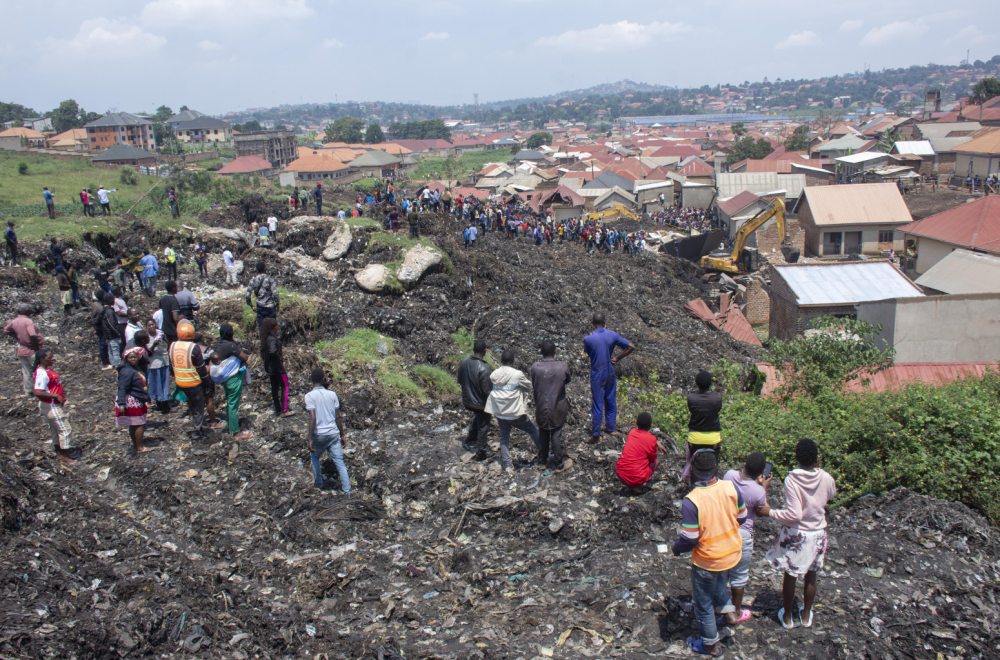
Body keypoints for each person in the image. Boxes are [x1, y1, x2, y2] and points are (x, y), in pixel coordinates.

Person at [672, 449, 747, 657]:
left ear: (694, 471)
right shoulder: (731, 487)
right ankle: (730, 615)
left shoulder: (692, 500)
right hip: (731, 553)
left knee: (703, 604)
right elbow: (743, 516)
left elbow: (689, 538)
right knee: (719, 583)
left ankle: (710, 646)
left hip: (707, 559)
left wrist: (676, 548)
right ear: (715, 469)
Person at [758, 439, 837, 629]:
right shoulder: (826, 477)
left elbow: (794, 514)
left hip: (797, 533)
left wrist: (770, 512)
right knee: (811, 574)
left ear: (796, 458)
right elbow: (831, 494)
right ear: (817, 459)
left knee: (791, 575)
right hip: (817, 532)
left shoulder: (792, 479)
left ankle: (787, 617)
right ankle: (806, 614)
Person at [723, 452, 771, 625]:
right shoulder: (758, 491)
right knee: (739, 576)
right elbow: (763, 509)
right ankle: (736, 611)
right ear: (761, 473)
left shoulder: (728, 475)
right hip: (743, 534)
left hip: (723, 529)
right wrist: (763, 487)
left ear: (744, 465)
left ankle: (719, 605)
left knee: (721, 571)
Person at [484, 349, 540, 472]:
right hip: (515, 412)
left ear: (501, 360)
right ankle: (543, 453)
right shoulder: (517, 374)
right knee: (532, 430)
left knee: (504, 437)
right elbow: (528, 387)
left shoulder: (495, 374)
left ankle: (508, 465)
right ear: (513, 361)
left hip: (500, 412)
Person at [583, 312, 635, 443]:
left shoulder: (588, 339)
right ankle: (611, 428)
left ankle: (595, 434)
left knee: (597, 403)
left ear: (592, 323)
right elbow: (631, 346)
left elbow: (589, 355)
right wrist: (617, 358)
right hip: (610, 371)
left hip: (597, 372)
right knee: (611, 399)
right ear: (604, 322)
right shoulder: (612, 335)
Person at [32, 348, 79, 466]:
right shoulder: (42, 373)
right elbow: (38, 391)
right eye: (50, 358)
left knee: (55, 430)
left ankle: (59, 454)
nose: (53, 359)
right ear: (42, 360)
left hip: (51, 404)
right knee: (66, 429)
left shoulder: (46, 370)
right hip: (51, 405)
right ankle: (66, 457)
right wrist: (56, 396)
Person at [305, 367, 349, 493]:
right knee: (340, 463)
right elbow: (337, 417)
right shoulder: (332, 394)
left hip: (319, 434)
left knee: (314, 458)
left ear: (311, 380)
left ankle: (319, 485)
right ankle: (347, 491)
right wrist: (342, 435)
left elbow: (312, 418)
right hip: (333, 433)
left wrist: (309, 439)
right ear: (324, 379)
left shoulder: (309, 396)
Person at [530, 339, 572, 471]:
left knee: (543, 431)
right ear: (555, 352)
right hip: (558, 406)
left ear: (541, 352)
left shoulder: (535, 367)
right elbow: (567, 380)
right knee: (556, 433)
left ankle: (542, 461)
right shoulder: (563, 366)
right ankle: (559, 463)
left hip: (541, 405)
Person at [171, 321, 210, 439]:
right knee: (198, 407)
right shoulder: (194, 348)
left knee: (191, 405)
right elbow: (201, 369)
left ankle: (197, 426)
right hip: (193, 383)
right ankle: (197, 431)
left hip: (180, 382)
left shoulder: (172, 346)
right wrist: (206, 384)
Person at [457, 339, 493, 461]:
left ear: (473, 349)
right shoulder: (485, 369)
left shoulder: (463, 363)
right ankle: (481, 451)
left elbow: (460, 380)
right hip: (479, 404)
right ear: (485, 351)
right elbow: (487, 391)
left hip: (467, 401)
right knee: (484, 424)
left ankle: (470, 438)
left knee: (479, 417)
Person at [616, 412, 671, 492]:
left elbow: (641, 440)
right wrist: (655, 445)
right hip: (637, 478)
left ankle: (630, 487)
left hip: (620, 475)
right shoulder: (652, 439)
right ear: (650, 426)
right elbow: (652, 460)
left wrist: (655, 443)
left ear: (637, 423)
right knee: (656, 459)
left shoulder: (632, 432)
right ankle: (637, 487)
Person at [215, 323, 252, 440]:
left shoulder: (220, 345)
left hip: (225, 379)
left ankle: (232, 425)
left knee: (230, 402)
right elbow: (245, 357)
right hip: (233, 379)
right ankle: (235, 432)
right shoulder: (231, 346)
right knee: (233, 404)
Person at [685, 370, 723, 480]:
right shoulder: (717, 398)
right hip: (713, 439)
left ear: (697, 383)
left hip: (695, 439)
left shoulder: (691, 398)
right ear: (710, 383)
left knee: (694, 465)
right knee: (714, 465)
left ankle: (693, 485)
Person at [116, 346, 152, 454]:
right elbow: (122, 387)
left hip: (137, 397)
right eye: (130, 358)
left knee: (133, 424)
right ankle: (139, 447)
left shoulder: (136, 369)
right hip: (132, 400)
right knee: (139, 423)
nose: (132, 359)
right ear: (126, 359)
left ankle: (136, 446)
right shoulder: (127, 371)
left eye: (134, 357)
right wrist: (121, 403)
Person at [4, 303, 43, 395]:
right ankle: (41, 390)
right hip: (31, 350)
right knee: (39, 370)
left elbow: (6, 330)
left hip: (22, 349)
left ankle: (29, 391)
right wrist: (37, 347)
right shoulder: (28, 321)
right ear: (27, 312)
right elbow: (33, 335)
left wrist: (18, 337)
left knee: (26, 372)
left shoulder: (14, 321)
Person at [261, 317, 293, 418]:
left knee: (274, 388)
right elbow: (272, 351)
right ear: (273, 327)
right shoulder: (271, 339)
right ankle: (284, 410)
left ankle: (278, 409)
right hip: (277, 368)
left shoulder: (266, 338)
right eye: (276, 326)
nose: (277, 327)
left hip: (271, 368)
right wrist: (279, 357)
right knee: (285, 386)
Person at [246, 261, 279, 338]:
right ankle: (274, 345)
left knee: (261, 327)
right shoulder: (270, 280)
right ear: (265, 269)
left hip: (260, 307)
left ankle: (263, 345)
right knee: (273, 327)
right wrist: (277, 304)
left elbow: (247, 295)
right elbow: (275, 294)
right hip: (270, 307)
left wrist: (251, 305)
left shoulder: (253, 280)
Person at [145, 318, 170, 414]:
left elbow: (168, 346)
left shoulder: (160, 334)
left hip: (163, 360)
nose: (151, 327)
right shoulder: (147, 337)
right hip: (154, 362)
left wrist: (164, 339)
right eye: (149, 325)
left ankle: (165, 403)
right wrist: (154, 345)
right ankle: (158, 402)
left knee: (163, 382)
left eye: (153, 324)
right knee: (156, 383)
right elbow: (148, 352)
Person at [101, 292, 123, 368]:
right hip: (112, 336)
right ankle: (117, 366)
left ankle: (114, 365)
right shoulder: (109, 311)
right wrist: (118, 333)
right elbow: (112, 324)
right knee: (115, 351)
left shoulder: (104, 310)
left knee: (110, 351)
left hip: (107, 335)